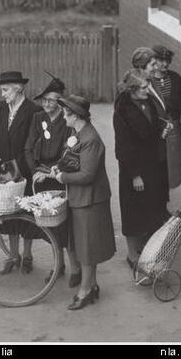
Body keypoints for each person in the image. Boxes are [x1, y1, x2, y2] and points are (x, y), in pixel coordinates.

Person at [51, 95, 115, 310]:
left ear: (75, 116)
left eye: (65, 113)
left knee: (87, 249)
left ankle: (85, 290)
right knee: (85, 246)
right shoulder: (78, 133)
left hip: (90, 201)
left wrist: (62, 178)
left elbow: (87, 175)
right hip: (81, 199)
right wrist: (59, 168)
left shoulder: (91, 139)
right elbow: (72, 160)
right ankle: (93, 285)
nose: (62, 117)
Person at [25, 72, 80, 285]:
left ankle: (75, 267)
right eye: (45, 99)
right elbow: (28, 147)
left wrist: (50, 172)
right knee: (50, 224)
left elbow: (68, 154)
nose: (47, 103)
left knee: (65, 224)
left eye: (52, 100)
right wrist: (34, 171)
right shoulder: (38, 118)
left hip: (59, 176)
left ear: (60, 102)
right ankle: (59, 265)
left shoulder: (67, 121)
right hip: (41, 177)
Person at [113, 69, 169, 270]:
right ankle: (132, 254)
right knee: (133, 212)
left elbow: (150, 133)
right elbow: (123, 147)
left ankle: (147, 250)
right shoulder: (122, 111)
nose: (149, 90)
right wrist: (135, 175)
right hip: (133, 169)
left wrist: (161, 131)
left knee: (150, 209)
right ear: (133, 89)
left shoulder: (148, 103)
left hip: (151, 165)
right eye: (145, 87)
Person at [0, 70, 41, 274]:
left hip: (23, 171)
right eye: (2, 90)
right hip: (3, 172)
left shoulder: (33, 110)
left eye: (6, 89)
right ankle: (13, 255)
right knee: (8, 213)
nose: (3, 94)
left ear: (19, 88)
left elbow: (33, 145)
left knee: (25, 212)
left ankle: (27, 255)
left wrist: (15, 168)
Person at [151, 45, 181, 190]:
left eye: (167, 60)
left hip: (173, 126)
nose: (165, 64)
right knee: (156, 161)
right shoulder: (147, 80)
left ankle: (166, 193)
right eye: (161, 61)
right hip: (155, 127)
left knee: (172, 163)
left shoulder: (175, 78)